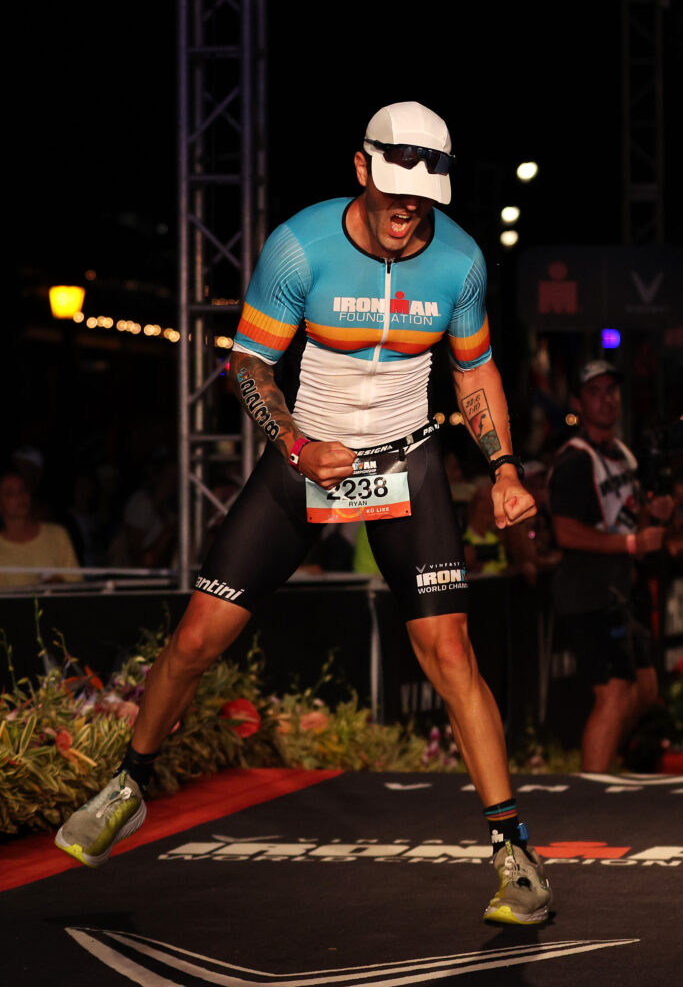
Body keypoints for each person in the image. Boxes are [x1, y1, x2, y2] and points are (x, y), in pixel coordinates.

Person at [56, 101, 552, 926]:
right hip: (304, 460)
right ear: (360, 169)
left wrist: (503, 467)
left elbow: (473, 373)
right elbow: (248, 364)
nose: (407, 212)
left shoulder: (458, 260)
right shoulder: (300, 246)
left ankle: (513, 854)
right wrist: (293, 446)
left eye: (423, 197)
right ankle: (131, 784)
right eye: (395, 191)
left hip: (405, 462)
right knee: (194, 641)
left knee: (448, 650)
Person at [548, 359, 674, 773]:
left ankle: (604, 766)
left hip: (622, 589)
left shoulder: (624, 456)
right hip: (587, 592)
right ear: (578, 403)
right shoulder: (574, 459)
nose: (606, 399)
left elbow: (632, 524)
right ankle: (593, 795)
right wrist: (631, 541)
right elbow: (565, 532)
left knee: (646, 687)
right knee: (615, 692)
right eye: (595, 392)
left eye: (612, 390)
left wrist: (655, 516)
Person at [0, 471, 81, 588]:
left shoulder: (57, 534)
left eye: (23, 490)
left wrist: (59, 585)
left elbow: (77, 585)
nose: (20, 496)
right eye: (10, 493)